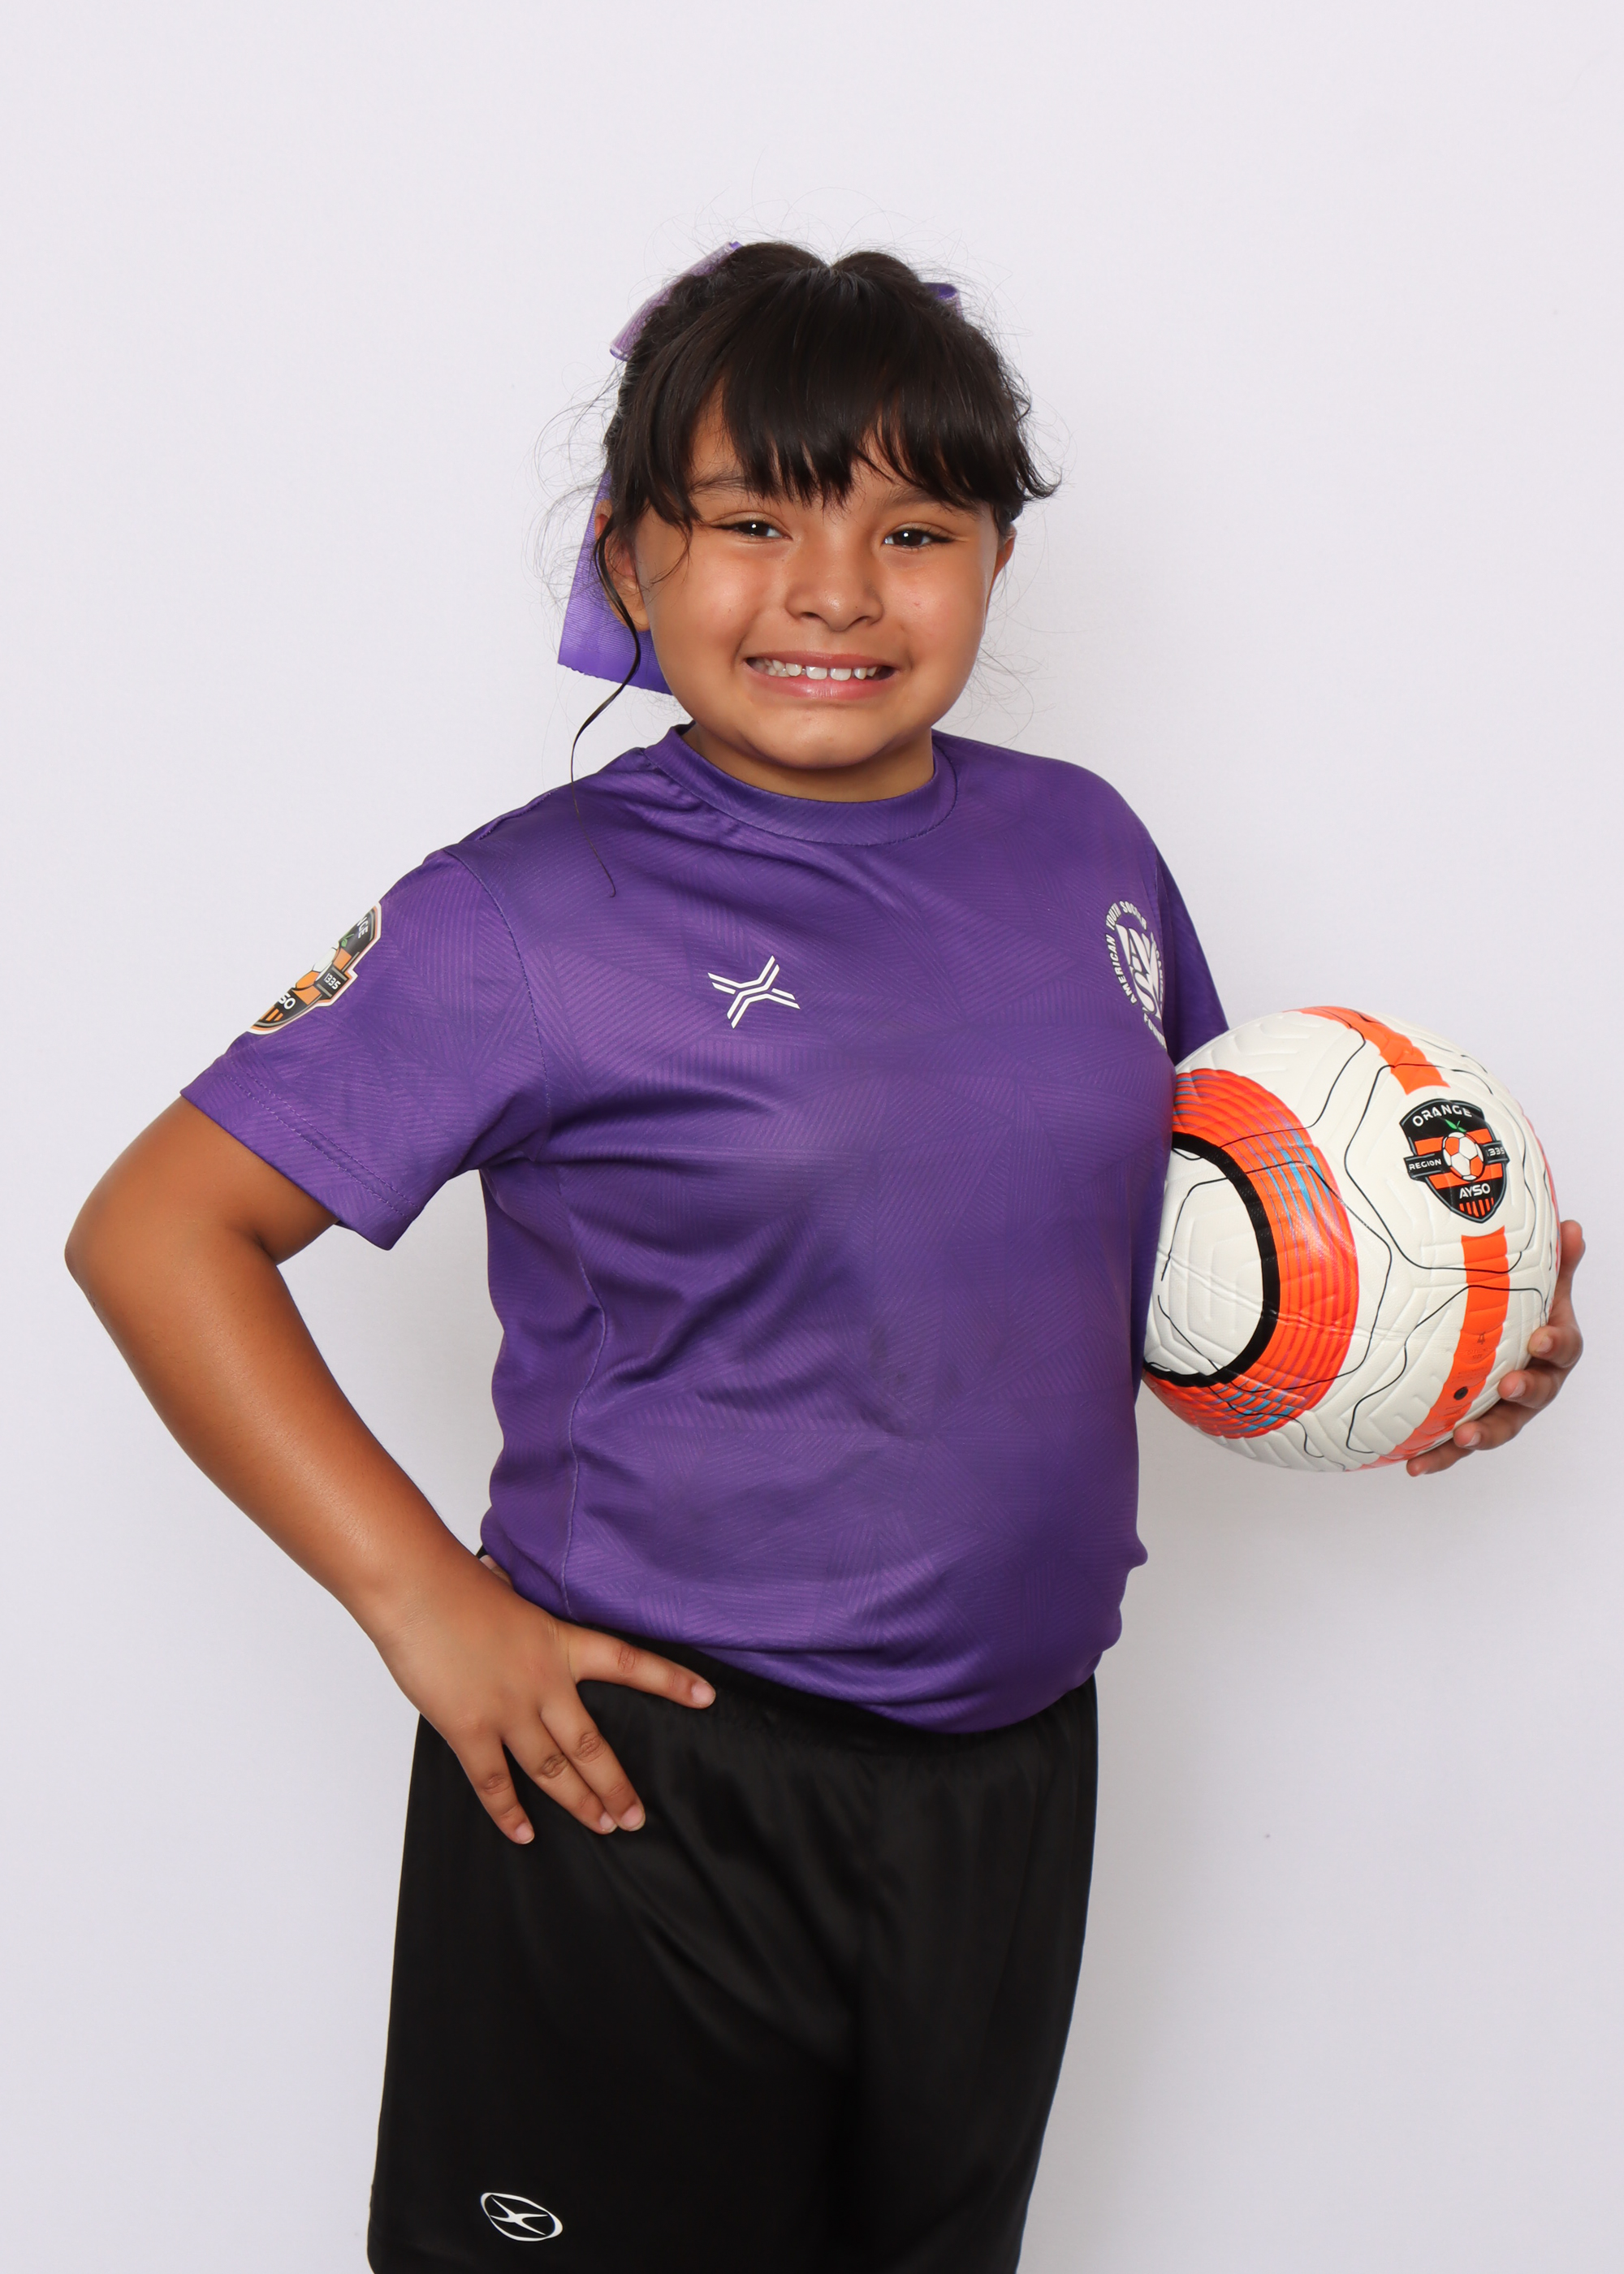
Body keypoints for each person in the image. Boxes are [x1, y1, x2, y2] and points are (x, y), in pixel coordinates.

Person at [65, 242, 1586, 2274]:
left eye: (915, 529)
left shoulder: (1086, 848)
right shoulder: (524, 917)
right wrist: (423, 1600)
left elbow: (1165, 1242)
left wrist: (1425, 1343)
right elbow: (158, 1229)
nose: (837, 591)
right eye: (754, 520)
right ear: (629, 552)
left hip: (1009, 1781)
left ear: (996, 558)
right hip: (647, 1786)